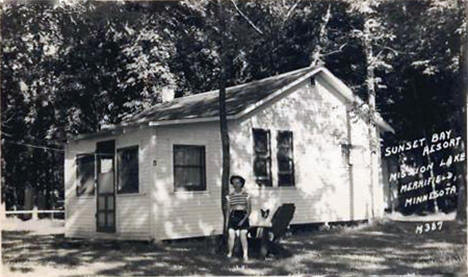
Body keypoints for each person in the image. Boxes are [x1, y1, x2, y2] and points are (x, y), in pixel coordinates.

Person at [225, 175, 251, 261]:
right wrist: (227, 222)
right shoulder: (230, 196)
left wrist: (243, 220)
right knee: (231, 235)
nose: (236, 184)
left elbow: (249, 210)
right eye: (234, 183)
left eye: (238, 182)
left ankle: (245, 255)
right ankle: (229, 253)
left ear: (241, 184)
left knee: (243, 235)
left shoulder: (246, 195)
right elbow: (228, 210)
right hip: (233, 216)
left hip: (243, 216)